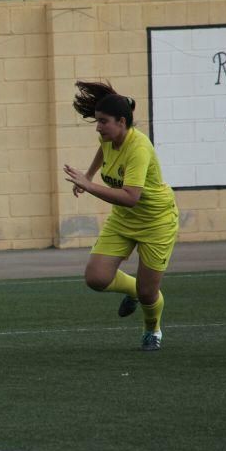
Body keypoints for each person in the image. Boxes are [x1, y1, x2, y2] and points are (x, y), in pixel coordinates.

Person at [63, 81, 178, 351]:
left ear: (122, 122)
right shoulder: (108, 137)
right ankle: (133, 291)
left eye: (103, 122)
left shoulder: (139, 148)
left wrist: (90, 185)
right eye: (97, 121)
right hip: (124, 220)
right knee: (96, 278)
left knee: (149, 293)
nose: (98, 127)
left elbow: (131, 197)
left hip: (156, 222)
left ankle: (152, 330)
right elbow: (103, 149)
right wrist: (88, 175)